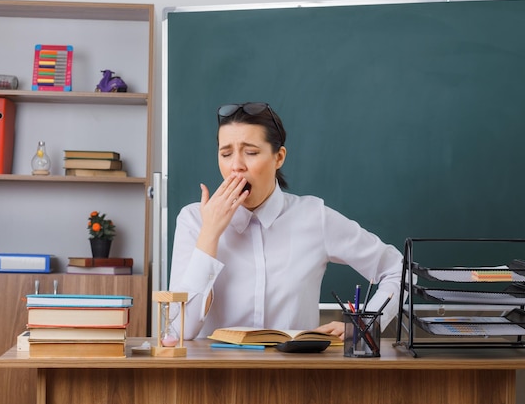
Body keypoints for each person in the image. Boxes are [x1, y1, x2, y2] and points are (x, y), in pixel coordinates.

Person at [168, 102, 403, 340]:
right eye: (226, 154)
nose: (236, 166)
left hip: (294, 374)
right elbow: (179, 331)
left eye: (250, 152)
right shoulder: (194, 220)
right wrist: (210, 233)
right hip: (214, 375)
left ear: (278, 157)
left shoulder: (313, 216)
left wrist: (364, 326)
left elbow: (399, 270)